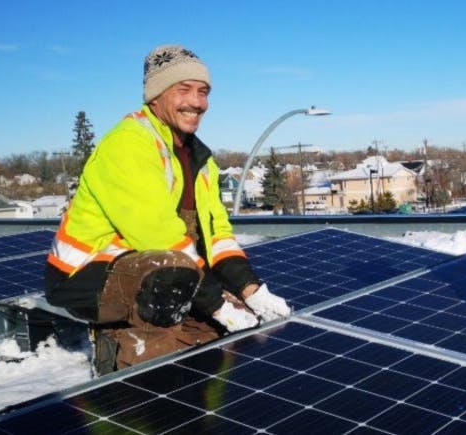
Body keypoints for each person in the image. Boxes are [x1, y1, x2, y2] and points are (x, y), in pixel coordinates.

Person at [45, 44, 292, 374]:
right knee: (176, 277)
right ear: (155, 95)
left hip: (163, 267)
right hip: (85, 275)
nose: (196, 102)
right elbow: (159, 236)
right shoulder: (129, 143)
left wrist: (252, 291)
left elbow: (216, 235)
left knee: (213, 320)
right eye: (183, 89)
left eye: (203, 92)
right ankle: (132, 378)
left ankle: (201, 406)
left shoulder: (201, 160)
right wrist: (217, 305)